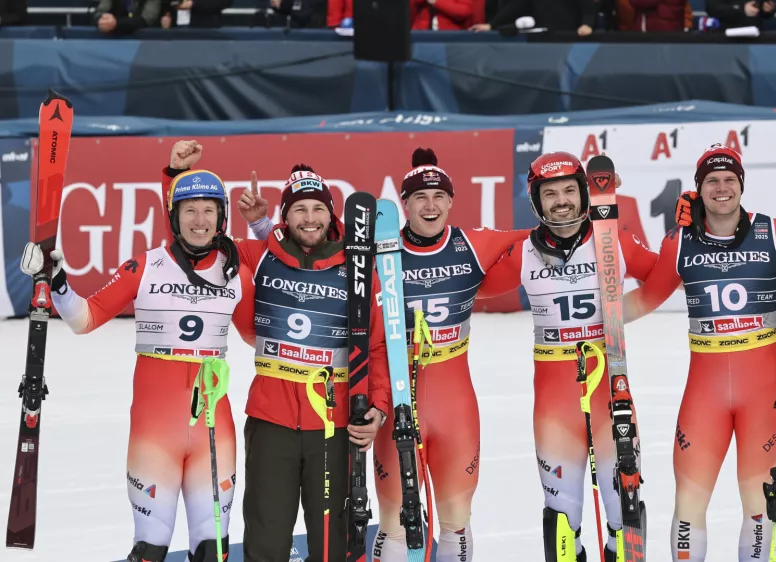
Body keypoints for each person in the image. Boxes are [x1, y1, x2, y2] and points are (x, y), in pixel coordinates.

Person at [243, 147, 528, 562]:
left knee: (454, 520)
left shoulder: (467, 244)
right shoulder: (372, 253)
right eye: (419, 198)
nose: (430, 206)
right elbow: (292, 256)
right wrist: (262, 225)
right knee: (390, 521)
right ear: (405, 203)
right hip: (379, 402)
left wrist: (598, 215)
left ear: (451, 201)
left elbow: (545, 237)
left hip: (444, 406)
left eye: (438, 197)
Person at [20, 145, 250, 562]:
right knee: (150, 549)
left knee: (212, 550)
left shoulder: (237, 273)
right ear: (174, 216)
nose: (199, 221)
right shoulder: (145, 266)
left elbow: (259, 338)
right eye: (189, 211)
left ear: (222, 218)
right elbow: (84, 319)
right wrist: (57, 282)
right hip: (154, 432)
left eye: (209, 211)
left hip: (214, 433)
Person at [166, 141, 391, 562]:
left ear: (331, 214)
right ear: (284, 217)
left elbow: (376, 346)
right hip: (271, 421)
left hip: (335, 421)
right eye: (299, 210)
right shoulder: (257, 256)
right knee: (266, 541)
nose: (310, 218)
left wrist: (377, 407)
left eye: (318, 209)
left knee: (332, 544)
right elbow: (192, 243)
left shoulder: (358, 268)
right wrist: (176, 175)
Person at [476, 151, 659, 562]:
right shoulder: (524, 253)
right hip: (556, 404)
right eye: (551, 192)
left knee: (624, 508)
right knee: (562, 517)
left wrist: (628, 308)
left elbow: (666, 276)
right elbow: (470, 289)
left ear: (584, 194)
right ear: (536, 201)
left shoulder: (613, 240)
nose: (562, 200)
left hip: (611, 392)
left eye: (570, 190)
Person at [621, 145, 776, 562]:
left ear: (741, 186)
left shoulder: (774, 233)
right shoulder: (680, 242)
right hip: (705, 397)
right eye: (712, 181)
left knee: (759, 506)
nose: (722, 188)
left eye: (730, 180)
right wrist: (594, 320)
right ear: (699, 190)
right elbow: (646, 298)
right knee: (689, 506)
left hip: (764, 394)